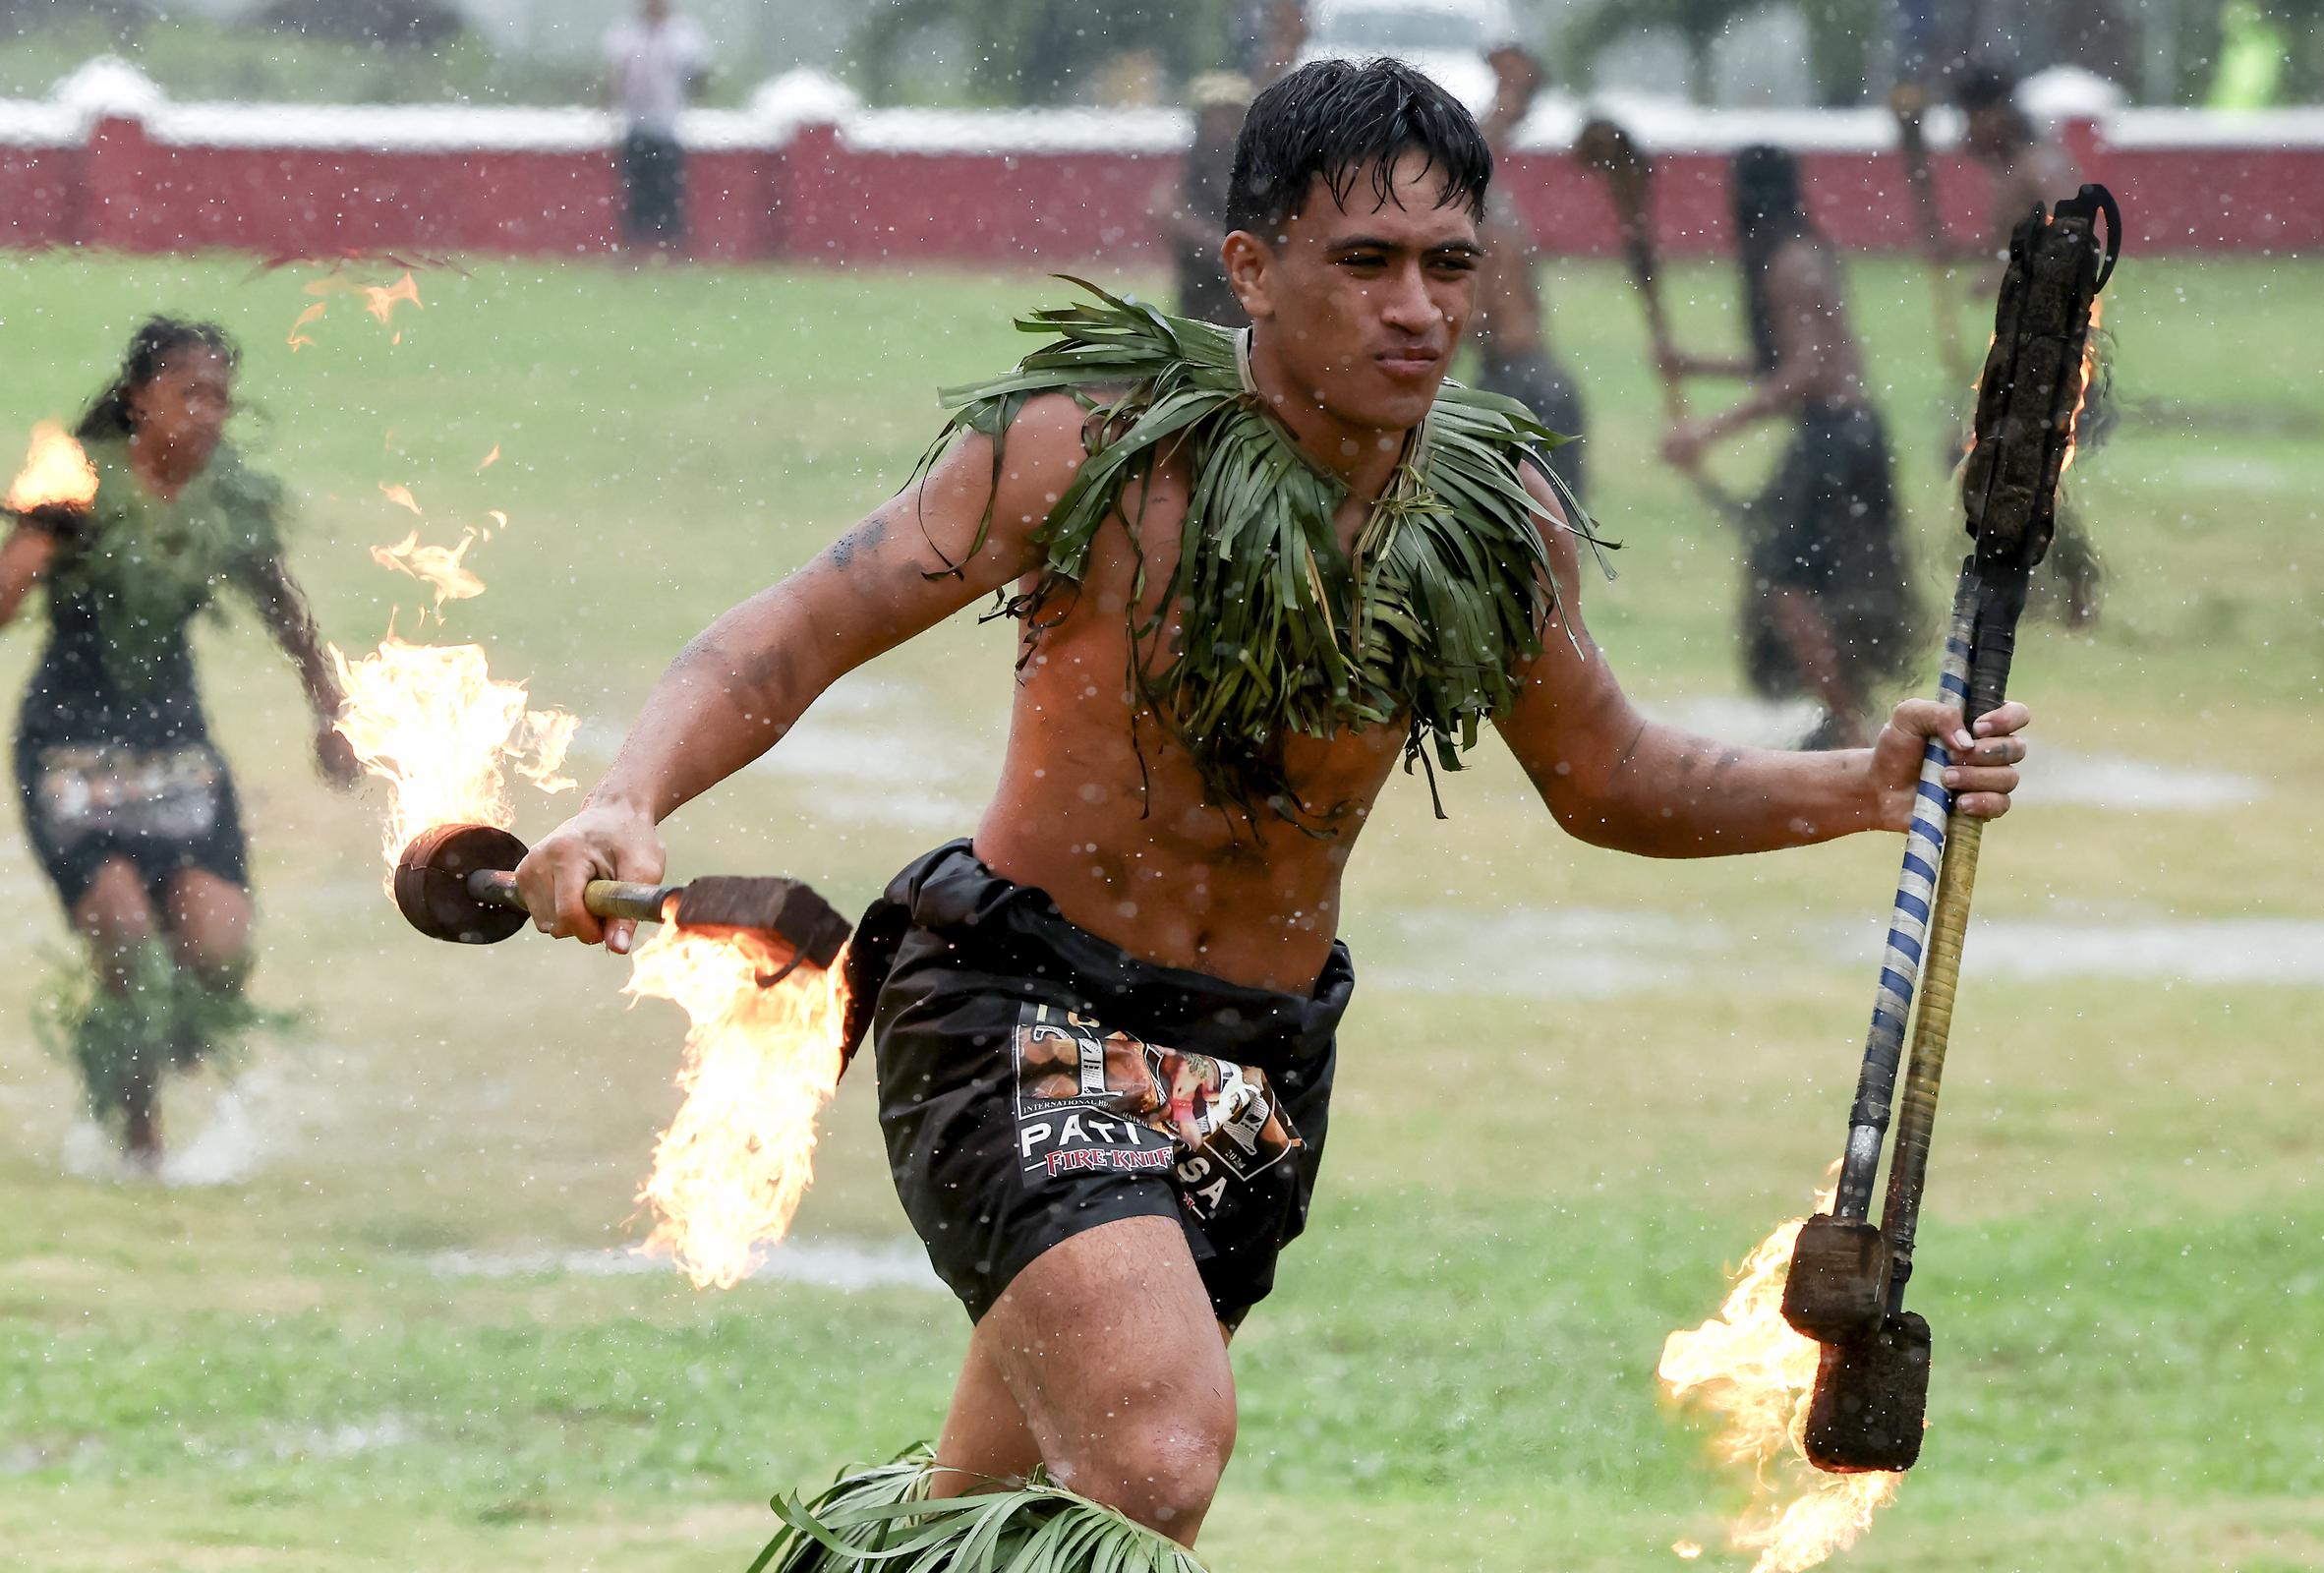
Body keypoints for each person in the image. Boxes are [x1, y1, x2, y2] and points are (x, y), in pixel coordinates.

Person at [516, 61, 2029, 1562]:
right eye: (1365, 264)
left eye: (1450, 265)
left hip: (1255, 1069)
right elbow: (788, 633)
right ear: (1251, 268)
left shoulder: (1494, 527)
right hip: (1019, 1007)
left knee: (991, 1514)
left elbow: (1610, 777)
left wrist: (1862, 786)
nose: (1419, 308)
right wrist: (623, 799)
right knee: (1158, 1453)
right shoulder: (1093, 452)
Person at [0, 319, 357, 1168]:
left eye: (221, 399)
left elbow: (286, 612)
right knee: (126, 933)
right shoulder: (86, 480)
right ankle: (138, 1135)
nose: (207, 415)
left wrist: (330, 712)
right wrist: (37, 530)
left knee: (218, 948)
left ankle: (160, 1047)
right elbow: (7, 595)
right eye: (189, 393)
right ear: (138, 398)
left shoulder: (225, 499)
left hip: (174, 745)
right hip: (70, 748)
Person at [1659, 146, 1921, 749]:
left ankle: (1848, 721)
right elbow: (1791, 361)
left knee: (1787, 582)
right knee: (1813, 582)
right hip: (1849, 433)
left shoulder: (1788, 263)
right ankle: (1846, 713)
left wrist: (1707, 429)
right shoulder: (1805, 254)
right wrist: (1694, 365)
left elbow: (1805, 373)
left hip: (1835, 437)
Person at [1955, 60, 2104, 625]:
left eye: (1973, 118)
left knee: (2027, 465)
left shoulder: (2038, 165)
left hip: (2051, 344)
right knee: (2003, 460)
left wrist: (1997, 275)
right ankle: (2043, 580)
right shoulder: (2012, 166)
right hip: (2021, 339)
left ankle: (2070, 585)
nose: (1967, 133)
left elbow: (2067, 247)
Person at [1471, 41, 1588, 498]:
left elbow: (1474, 320)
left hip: (1518, 381)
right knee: (1547, 531)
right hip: (1535, 377)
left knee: (1531, 533)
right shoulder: (1493, 209)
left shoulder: (1487, 221)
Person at [602, 0, 711, 254]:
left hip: (667, 125)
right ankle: (635, 249)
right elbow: (613, 75)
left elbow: (698, 76)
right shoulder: (626, 33)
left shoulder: (683, 35)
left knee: (668, 193)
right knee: (635, 194)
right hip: (635, 124)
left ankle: (671, 249)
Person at [1158, 73, 1251, 329]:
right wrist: (1213, 243)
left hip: (1244, 280)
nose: (1222, 124)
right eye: (1215, 115)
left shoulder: (1252, 159)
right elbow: (1165, 209)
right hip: (1202, 282)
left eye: (1230, 114)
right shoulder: (1193, 162)